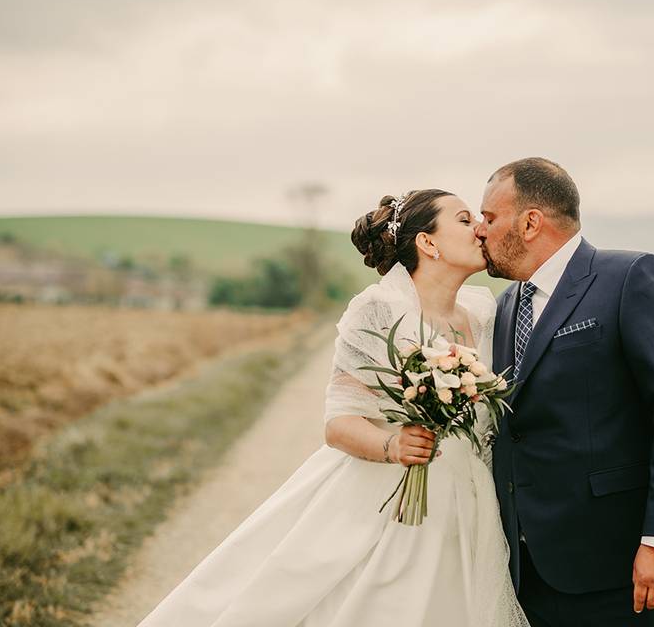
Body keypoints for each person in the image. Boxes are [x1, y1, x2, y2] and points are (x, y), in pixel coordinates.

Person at [137, 189, 530, 627]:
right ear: (428, 242)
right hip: (393, 502)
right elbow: (338, 422)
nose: (479, 227)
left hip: (470, 501)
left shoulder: (482, 312)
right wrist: (394, 445)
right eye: (463, 219)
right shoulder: (381, 310)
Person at [476, 157, 654, 627]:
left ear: (531, 222)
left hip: (627, 565)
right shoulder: (504, 307)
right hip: (530, 573)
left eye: (490, 217)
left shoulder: (631, 277)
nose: (480, 230)